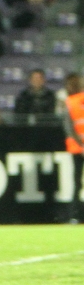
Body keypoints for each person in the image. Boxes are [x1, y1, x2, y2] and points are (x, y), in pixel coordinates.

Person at [63, 76, 84, 223]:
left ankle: (74, 215)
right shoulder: (70, 103)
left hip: (78, 148)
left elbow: (69, 128)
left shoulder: (70, 103)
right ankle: (74, 214)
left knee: (76, 182)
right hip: (78, 148)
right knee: (77, 182)